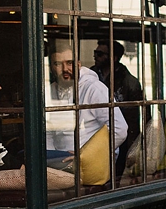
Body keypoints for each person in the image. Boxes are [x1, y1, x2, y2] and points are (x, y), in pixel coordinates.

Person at [45, 41, 128, 171]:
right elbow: (48, 131)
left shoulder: (93, 88)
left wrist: (86, 154)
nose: (65, 69)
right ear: (50, 67)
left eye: (69, 63)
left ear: (78, 64)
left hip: (91, 164)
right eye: (57, 64)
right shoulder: (50, 91)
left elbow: (120, 129)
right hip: (60, 163)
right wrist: (49, 160)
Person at [93, 40, 145, 178]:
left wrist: (134, 146)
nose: (95, 56)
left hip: (119, 138)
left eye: (100, 53)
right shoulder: (91, 75)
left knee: (114, 176)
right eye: (95, 53)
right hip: (93, 134)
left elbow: (134, 118)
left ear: (113, 58)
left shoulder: (129, 82)